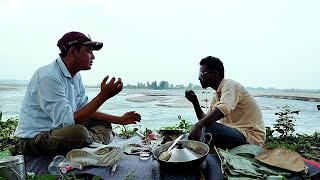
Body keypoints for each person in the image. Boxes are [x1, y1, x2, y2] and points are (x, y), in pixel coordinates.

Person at [14, 31, 141, 155]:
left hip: (61, 130)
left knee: (103, 123)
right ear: (73, 52)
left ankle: (89, 142)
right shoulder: (48, 77)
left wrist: (119, 119)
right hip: (35, 139)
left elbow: (85, 110)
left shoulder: (75, 76)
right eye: (89, 51)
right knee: (77, 133)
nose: (93, 56)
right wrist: (103, 96)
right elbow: (66, 123)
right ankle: (93, 142)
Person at [185, 56, 265, 150]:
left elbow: (223, 109)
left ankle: (199, 154)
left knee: (208, 129)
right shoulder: (218, 95)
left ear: (214, 73)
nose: (199, 78)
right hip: (237, 133)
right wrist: (195, 103)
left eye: (202, 73)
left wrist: (198, 126)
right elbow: (205, 119)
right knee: (204, 126)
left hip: (250, 137)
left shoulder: (230, 85)